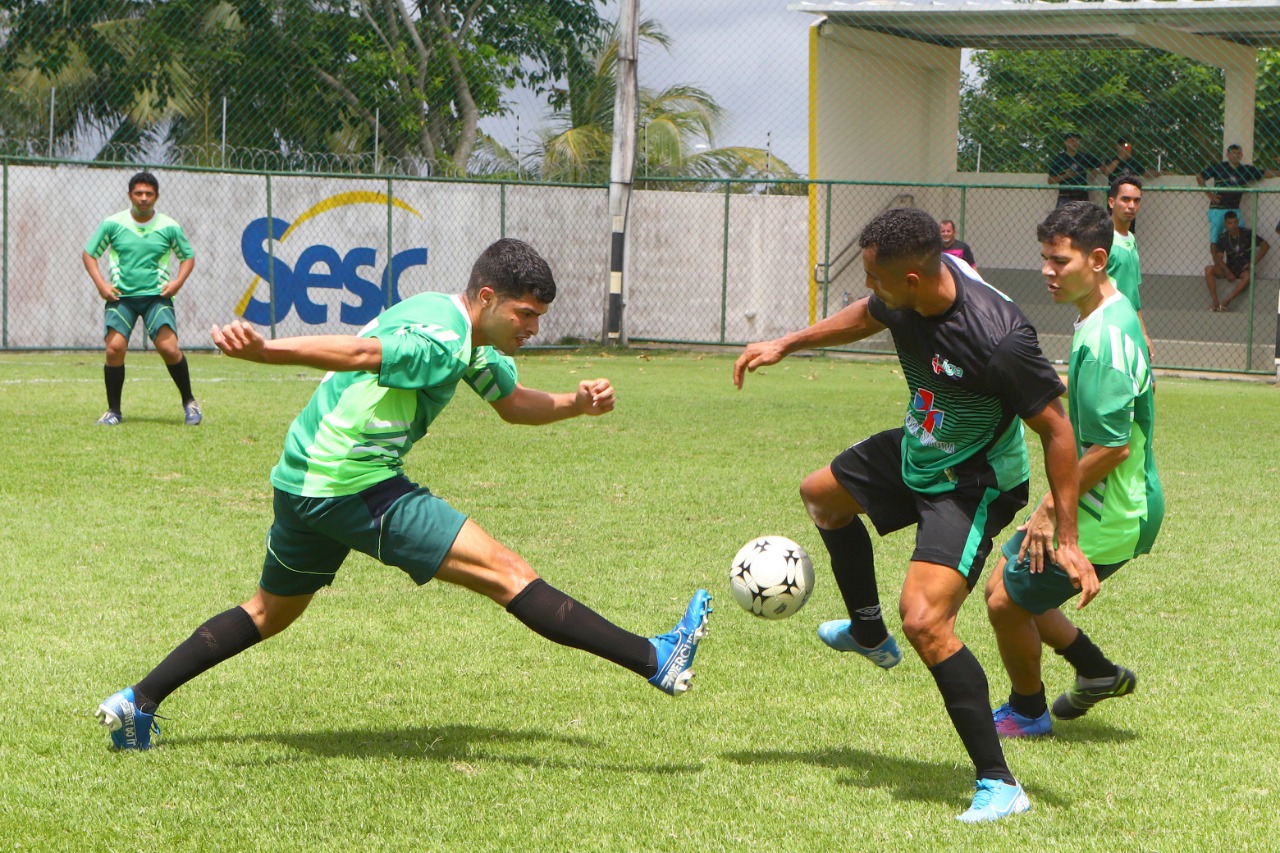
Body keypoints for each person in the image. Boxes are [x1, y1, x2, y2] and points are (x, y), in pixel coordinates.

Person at [95, 238, 712, 750]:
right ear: (489, 298)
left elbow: (514, 405)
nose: (533, 328)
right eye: (525, 315)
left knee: (268, 612)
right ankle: (656, 658)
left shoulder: (454, 323)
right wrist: (266, 349)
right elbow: (363, 351)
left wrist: (576, 404)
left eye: (539, 318)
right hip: (350, 481)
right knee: (507, 573)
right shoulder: (444, 340)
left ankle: (138, 701)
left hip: (303, 477)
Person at [733, 208, 1087, 824]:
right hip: (920, 444)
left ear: (917, 280)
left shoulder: (997, 336)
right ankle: (868, 632)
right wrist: (787, 342)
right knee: (821, 495)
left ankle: (1000, 785)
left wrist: (1067, 529)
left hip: (973, 480)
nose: (871, 291)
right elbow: (868, 315)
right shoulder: (905, 291)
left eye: (877, 280)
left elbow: (1058, 430)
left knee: (926, 621)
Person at [985, 201, 1162, 739]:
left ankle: (1028, 711)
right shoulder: (1106, 311)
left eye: (1059, 261)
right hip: (1104, 497)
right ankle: (1096, 671)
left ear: (1098, 259)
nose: (1047, 270)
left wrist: (1047, 512)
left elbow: (1112, 448)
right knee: (1009, 584)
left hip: (1113, 508)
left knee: (1005, 601)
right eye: (1045, 258)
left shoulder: (1105, 340)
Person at [82, 171, 201, 426]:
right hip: (121, 298)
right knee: (114, 349)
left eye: (149, 194)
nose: (143, 198)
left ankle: (190, 402)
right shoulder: (112, 224)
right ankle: (113, 411)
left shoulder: (169, 226)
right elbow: (89, 254)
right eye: (138, 193)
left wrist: (177, 283)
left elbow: (187, 257)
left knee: (169, 348)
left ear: (156, 196)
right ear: (130, 195)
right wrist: (102, 285)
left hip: (156, 298)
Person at [1196, 144, 1279, 262]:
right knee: (1215, 239)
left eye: (1238, 152)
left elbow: (1265, 173)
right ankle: (1218, 266)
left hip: (1235, 209)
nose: (1236, 155)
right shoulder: (1219, 167)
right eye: (1233, 152)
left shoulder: (1246, 170)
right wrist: (1209, 194)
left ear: (1241, 155)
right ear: (1228, 154)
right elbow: (1200, 176)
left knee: (1241, 237)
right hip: (1217, 209)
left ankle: (1238, 265)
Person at [1106, 176, 1153, 356]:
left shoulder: (1131, 240)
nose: (1131, 205)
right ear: (1111, 202)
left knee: (1148, 383)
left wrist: (1143, 333)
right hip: (1108, 327)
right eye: (1125, 199)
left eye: (1136, 200)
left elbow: (1133, 295)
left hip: (1129, 325)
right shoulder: (1101, 239)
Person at [1204, 211, 1269, 312]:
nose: (1233, 225)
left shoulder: (1247, 233)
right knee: (1208, 269)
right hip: (1229, 268)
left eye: (1235, 222)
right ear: (1225, 224)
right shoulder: (1223, 237)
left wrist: (1252, 263)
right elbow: (1219, 258)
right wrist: (1227, 271)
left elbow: (1265, 245)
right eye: (1230, 223)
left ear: (1238, 221)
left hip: (1243, 268)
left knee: (1248, 276)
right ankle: (1215, 302)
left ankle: (1226, 301)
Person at [1047, 132, 1102, 207]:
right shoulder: (1059, 159)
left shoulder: (1084, 157)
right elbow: (1050, 181)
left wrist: (1096, 170)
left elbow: (1101, 164)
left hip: (1081, 195)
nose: (1075, 143)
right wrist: (1066, 176)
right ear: (1065, 143)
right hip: (1065, 195)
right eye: (1072, 141)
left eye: (1077, 141)